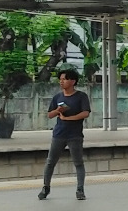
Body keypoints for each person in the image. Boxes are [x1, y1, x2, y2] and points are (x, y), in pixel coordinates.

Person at [39, 67, 90, 200]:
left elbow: (85, 113)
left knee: (78, 162)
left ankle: (80, 189)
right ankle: (46, 187)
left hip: (75, 135)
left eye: (64, 79)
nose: (61, 82)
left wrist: (68, 118)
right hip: (59, 134)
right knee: (50, 162)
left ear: (73, 81)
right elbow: (50, 115)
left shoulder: (81, 96)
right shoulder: (57, 97)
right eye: (60, 79)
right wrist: (58, 110)